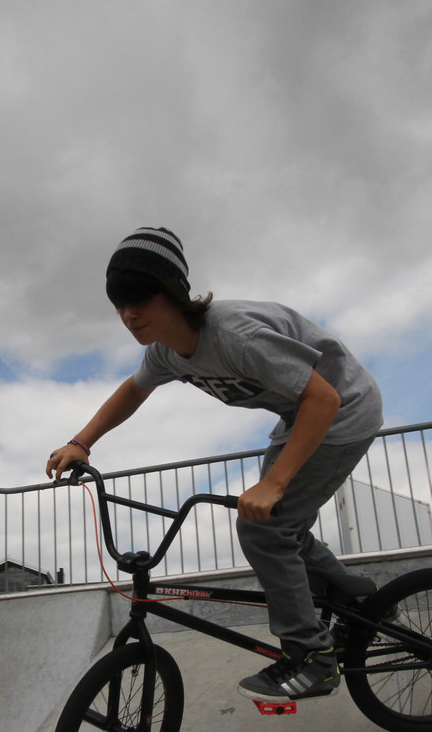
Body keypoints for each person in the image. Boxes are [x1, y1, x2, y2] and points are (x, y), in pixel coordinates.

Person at [46, 226, 385, 703]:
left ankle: (312, 657)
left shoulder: (235, 336)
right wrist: (81, 442)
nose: (128, 314)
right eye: (119, 304)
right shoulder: (167, 351)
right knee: (276, 525)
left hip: (343, 412)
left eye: (139, 299)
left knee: (265, 529)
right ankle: (355, 595)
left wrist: (275, 483)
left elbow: (324, 399)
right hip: (300, 417)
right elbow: (134, 390)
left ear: (173, 293)